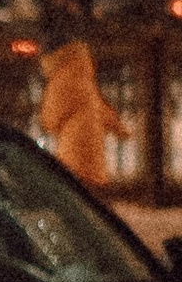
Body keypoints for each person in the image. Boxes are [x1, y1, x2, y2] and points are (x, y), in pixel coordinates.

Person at [36, 11, 127, 187]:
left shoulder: (59, 82)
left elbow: (50, 121)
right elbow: (99, 107)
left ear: (51, 56)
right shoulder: (83, 77)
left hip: (72, 150)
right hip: (93, 148)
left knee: (74, 187)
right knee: (92, 186)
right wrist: (118, 127)